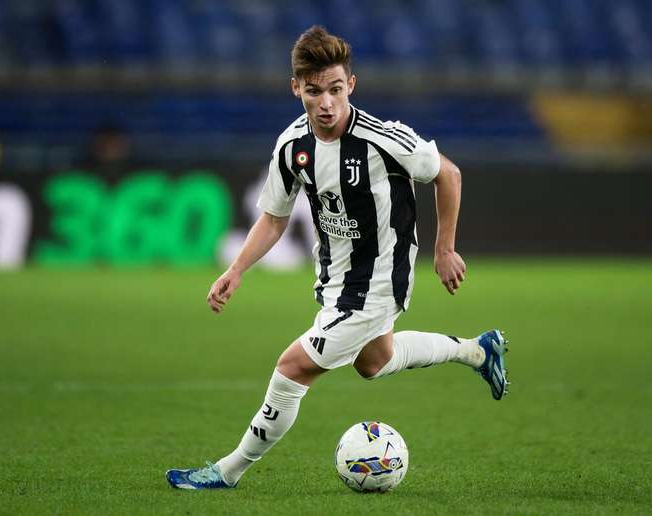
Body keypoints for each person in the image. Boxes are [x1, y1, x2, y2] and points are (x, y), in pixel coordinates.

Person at [166, 26, 510, 490]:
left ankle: (227, 472)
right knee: (374, 361)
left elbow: (449, 174)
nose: (325, 103)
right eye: (313, 91)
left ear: (351, 85)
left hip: (380, 280)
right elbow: (273, 218)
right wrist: (236, 269)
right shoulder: (292, 146)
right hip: (337, 279)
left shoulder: (385, 139)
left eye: (334, 89)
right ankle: (476, 350)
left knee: (292, 368)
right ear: (296, 88)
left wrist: (444, 248)